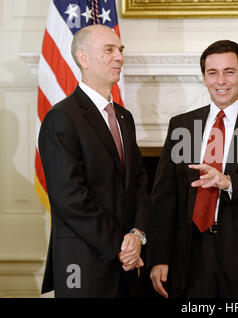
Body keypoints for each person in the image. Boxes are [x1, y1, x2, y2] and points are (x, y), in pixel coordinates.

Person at [149, 40, 238, 298]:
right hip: (191, 259)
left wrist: (229, 182)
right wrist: (159, 258)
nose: (221, 81)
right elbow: (164, 198)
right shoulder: (183, 125)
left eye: (229, 72)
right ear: (204, 78)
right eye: (212, 73)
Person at [39, 24, 151, 297]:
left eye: (121, 50)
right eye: (109, 50)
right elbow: (71, 198)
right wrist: (122, 247)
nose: (119, 57)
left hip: (126, 266)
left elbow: (139, 183)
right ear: (83, 58)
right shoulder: (62, 118)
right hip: (84, 263)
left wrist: (138, 235)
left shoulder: (124, 117)